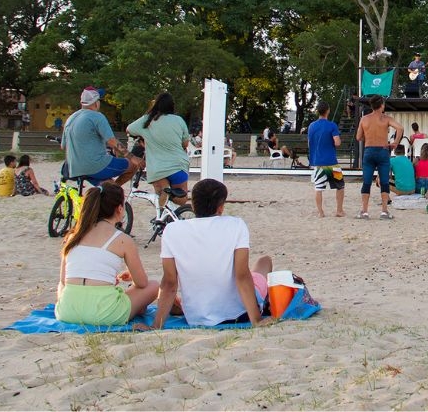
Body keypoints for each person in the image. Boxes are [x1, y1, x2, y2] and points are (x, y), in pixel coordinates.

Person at [151, 179, 272, 328]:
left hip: (196, 317)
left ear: (193, 205)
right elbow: (242, 276)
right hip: (239, 313)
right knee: (264, 262)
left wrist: (156, 326)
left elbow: (169, 283)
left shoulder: (172, 230)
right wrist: (256, 320)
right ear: (220, 208)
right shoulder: (236, 225)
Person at [55, 182, 159, 326]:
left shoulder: (73, 236)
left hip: (66, 312)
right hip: (105, 314)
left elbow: (63, 281)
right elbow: (142, 283)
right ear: (119, 209)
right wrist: (132, 279)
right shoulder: (123, 239)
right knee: (153, 285)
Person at [62, 86, 143, 185]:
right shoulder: (97, 116)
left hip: (74, 168)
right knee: (133, 165)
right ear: (96, 103)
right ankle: (116, 189)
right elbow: (112, 141)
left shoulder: (70, 118)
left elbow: (63, 146)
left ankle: (111, 190)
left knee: (107, 188)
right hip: (95, 166)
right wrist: (132, 157)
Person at [126, 92, 191, 205]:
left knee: (161, 195)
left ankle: (163, 205)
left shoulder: (147, 120)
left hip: (157, 168)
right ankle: (171, 198)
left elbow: (129, 129)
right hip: (178, 165)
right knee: (182, 198)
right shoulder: (179, 120)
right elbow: (185, 144)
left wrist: (145, 136)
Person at [355, 95, 404, 220]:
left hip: (369, 151)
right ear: (381, 105)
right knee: (384, 182)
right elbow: (400, 128)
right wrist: (395, 142)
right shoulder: (386, 118)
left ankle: (364, 211)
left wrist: (369, 135)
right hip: (383, 151)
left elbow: (358, 137)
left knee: (366, 182)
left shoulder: (364, 119)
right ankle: (384, 211)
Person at [307, 100, 344, 218]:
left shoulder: (311, 126)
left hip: (318, 162)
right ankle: (339, 210)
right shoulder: (332, 125)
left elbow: (309, 142)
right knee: (340, 186)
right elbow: (337, 142)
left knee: (318, 188)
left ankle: (321, 212)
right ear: (328, 111)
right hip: (332, 162)